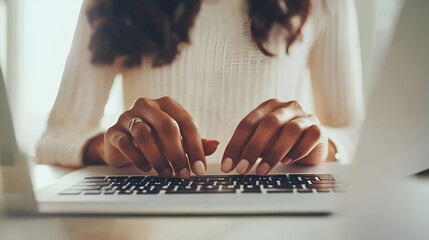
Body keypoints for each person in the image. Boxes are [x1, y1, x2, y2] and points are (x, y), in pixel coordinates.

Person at [36, 0, 364, 179]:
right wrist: (107, 148)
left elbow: (358, 134)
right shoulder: (111, 5)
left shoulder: (325, 4)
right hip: (150, 207)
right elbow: (52, 139)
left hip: (275, 205)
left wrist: (324, 144)